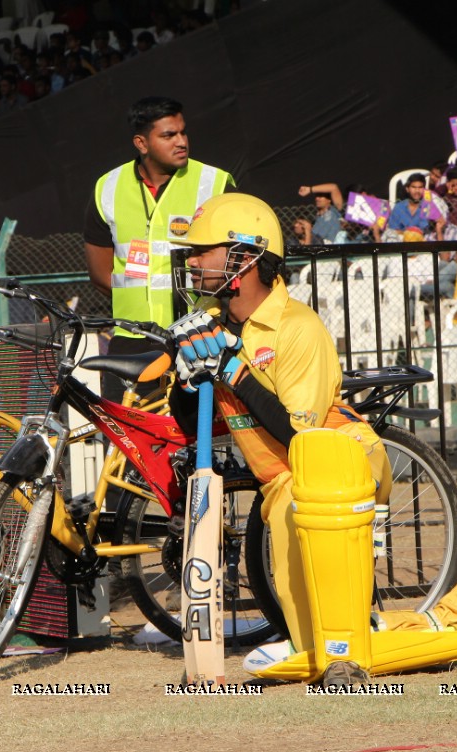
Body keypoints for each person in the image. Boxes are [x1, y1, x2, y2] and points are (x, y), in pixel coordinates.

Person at [167, 192, 391, 684]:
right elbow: (190, 426)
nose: (191, 261)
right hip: (285, 479)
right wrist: (186, 378)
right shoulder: (216, 324)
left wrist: (234, 371)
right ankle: (326, 644)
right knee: (287, 510)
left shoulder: (298, 327)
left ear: (244, 259)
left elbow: (301, 437)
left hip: (341, 463)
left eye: (202, 251)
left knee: (295, 506)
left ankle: (341, 653)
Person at [84, 96, 235, 405]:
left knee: (196, 441)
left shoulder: (215, 183)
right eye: (168, 135)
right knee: (128, 445)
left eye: (183, 132)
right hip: (130, 342)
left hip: (198, 337)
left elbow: (237, 264)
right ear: (141, 143)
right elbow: (100, 274)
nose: (181, 142)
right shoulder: (107, 187)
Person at [381, 172, 441, 240]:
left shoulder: (430, 207)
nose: (417, 191)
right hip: (401, 242)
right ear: (407, 189)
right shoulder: (399, 207)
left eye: (420, 187)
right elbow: (393, 230)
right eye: (414, 187)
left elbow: (426, 231)